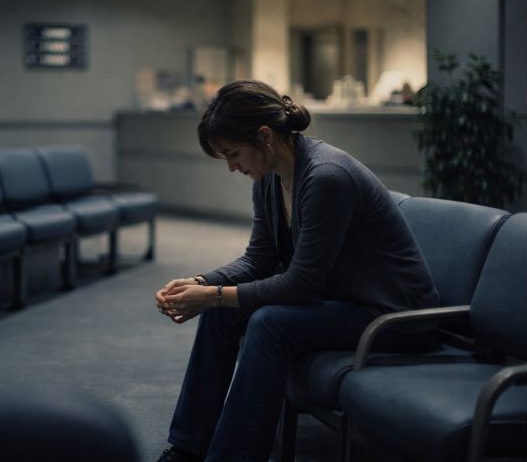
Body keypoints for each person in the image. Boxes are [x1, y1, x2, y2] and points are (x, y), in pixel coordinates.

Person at [154, 80, 440, 461]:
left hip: (393, 315)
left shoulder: (325, 177)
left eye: (234, 153)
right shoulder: (269, 178)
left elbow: (302, 284)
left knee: (269, 322)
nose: (232, 167)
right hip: (342, 301)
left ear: (265, 136)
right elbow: (258, 259)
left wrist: (216, 295)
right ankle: (186, 448)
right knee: (220, 315)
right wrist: (204, 284)